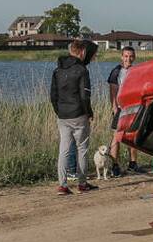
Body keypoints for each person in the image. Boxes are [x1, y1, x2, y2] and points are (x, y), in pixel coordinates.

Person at [50, 38, 98, 194]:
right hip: (78, 114)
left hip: (63, 115)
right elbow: (85, 96)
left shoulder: (57, 70)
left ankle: (62, 185)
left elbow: (53, 95)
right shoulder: (82, 70)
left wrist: (59, 111)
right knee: (82, 149)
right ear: (82, 51)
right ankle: (82, 183)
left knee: (63, 150)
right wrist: (89, 112)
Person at [108, 46, 142, 174]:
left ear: (134, 57)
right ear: (122, 57)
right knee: (117, 137)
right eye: (126, 56)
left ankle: (133, 164)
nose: (129, 59)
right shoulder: (116, 71)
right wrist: (114, 107)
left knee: (132, 137)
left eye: (131, 56)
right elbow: (112, 91)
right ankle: (114, 166)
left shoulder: (137, 70)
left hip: (134, 108)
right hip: (121, 109)